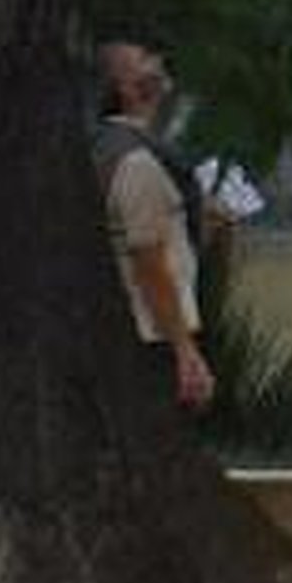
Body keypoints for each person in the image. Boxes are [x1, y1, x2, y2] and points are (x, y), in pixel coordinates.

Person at [90, 39, 216, 417]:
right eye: (144, 60)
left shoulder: (105, 147)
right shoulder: (138, 162)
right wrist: (184, 350)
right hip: (151, 336)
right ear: (126, 88)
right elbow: (149, 262)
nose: (158, 62)